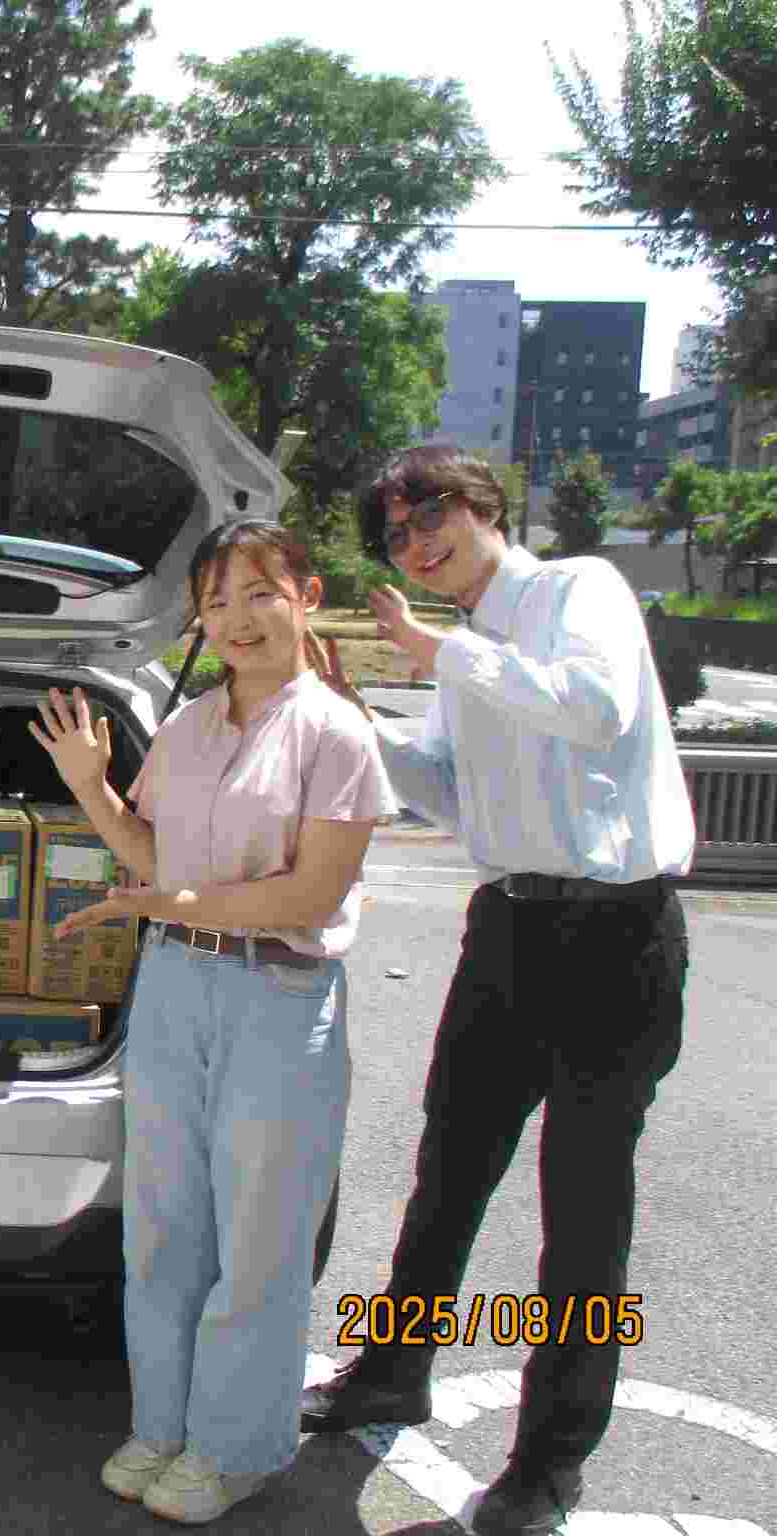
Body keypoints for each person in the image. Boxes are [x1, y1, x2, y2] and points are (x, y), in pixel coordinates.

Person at [303, 444, 694, 1536]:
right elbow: (449, 797)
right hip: (508, 926)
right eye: (393, 534)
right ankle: (392, 1371)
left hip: (617, 929)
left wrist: (440, 652)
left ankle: (548, 1463)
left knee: (583, 1209)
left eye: (427, 514)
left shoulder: (576, 590)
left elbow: (594, 707)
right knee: (448, 1171)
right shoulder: (466, 649)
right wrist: (359, 721)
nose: (413, 544)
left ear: (484, 506)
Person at [30, 520, 394, 1524]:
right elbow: (154, 856)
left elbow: (309, 896)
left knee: (259, 1238)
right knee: (163, 1229)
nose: (236, 618)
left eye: (257, 593)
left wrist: (172, 903)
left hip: (278, 995)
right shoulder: (188, 726)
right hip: (174, 986)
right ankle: (164, 1427)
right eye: (216, 600)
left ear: (304, 596)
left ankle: (236, 1448)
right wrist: (90, 787)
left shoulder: (336, 734)